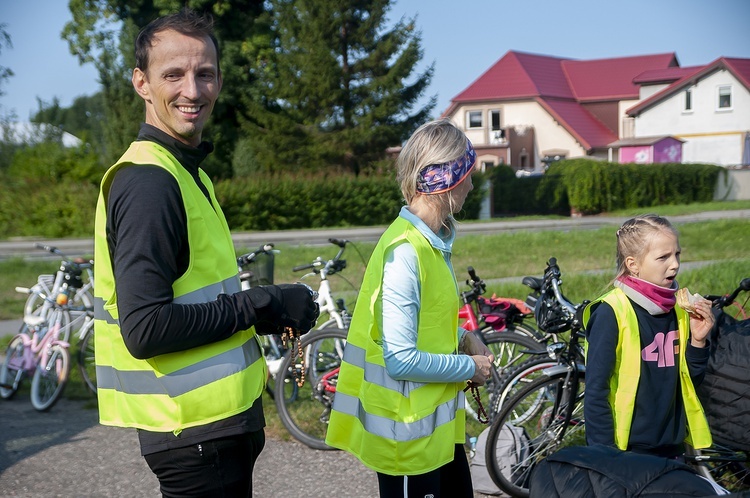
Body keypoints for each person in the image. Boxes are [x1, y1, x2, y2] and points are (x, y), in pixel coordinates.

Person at [92, 9, 318, 497]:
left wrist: (263, 309)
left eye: (205, 74)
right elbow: (146, 329)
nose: (192, 91)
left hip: (214, 432)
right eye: (172, 74)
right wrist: (264, 304)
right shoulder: (150, 182)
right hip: (193, 436)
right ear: (142, 83)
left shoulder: (188, 171)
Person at [325, 118, 494, 498]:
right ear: (447, 179)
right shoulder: (405, 252)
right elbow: (400, 359)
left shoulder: (431, 243)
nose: (471, 183)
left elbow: (424, 323)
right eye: (466, 173)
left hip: (434, 435)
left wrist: (464, 338)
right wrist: (471, 367)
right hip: (407, 441)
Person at [582, 214, 714, 458]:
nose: (674, 264)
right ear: (633, 265)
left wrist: (698, 341)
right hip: (629, 451)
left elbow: (689, 382)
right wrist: (605, 455)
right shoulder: (611, 312)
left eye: (677, 254)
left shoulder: (679, 308)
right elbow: (595, 392)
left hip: (673, 447)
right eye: (663, 257)